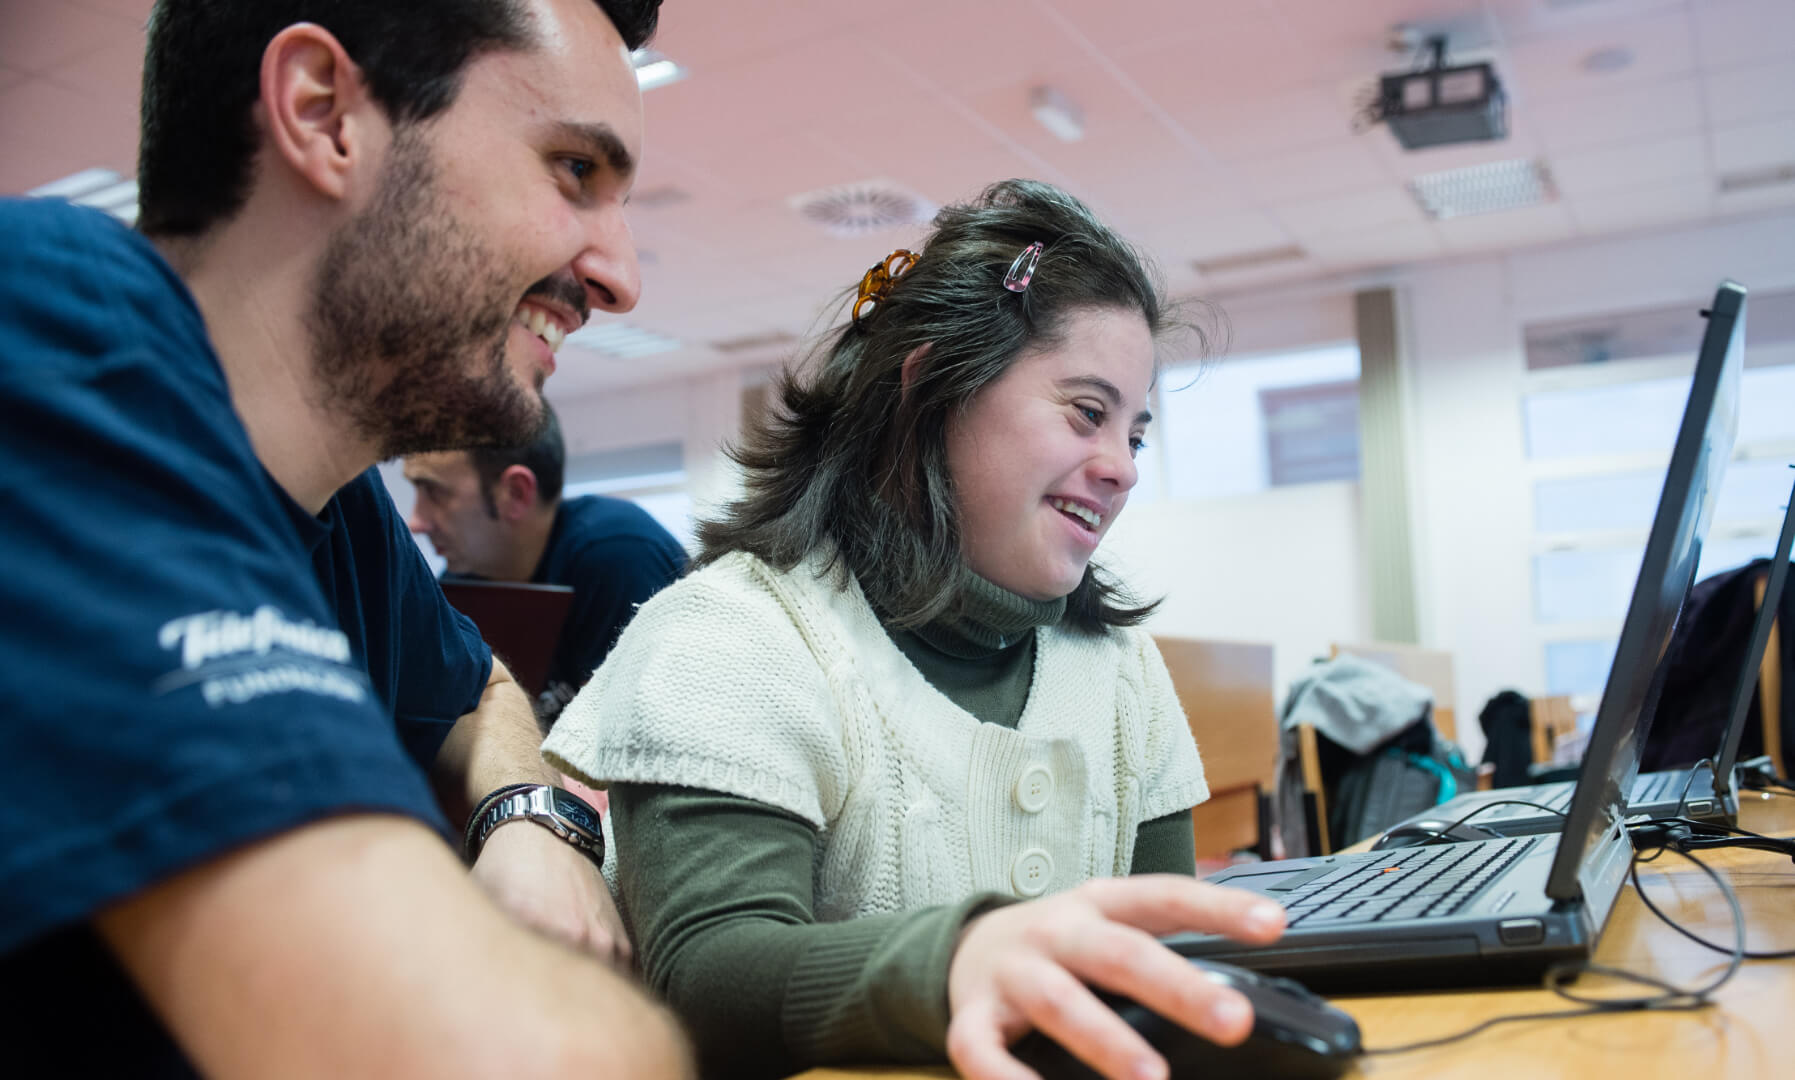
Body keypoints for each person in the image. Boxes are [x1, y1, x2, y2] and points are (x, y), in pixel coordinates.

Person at [0, 1, 691, 1077]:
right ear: (325, 115)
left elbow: (482, 692)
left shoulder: (343, 507)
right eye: (572, 171)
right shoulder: (47, 320)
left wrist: (521, 814)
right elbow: (519, 1060)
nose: (619, 274)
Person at [542, 179, 1287, 1080]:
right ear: (930, 386)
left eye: (1136, 435)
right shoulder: (729, 636)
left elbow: (1158, 965)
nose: (1122, 468)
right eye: (1088, 413)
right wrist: (953, 963)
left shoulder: (1119, 669)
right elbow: (705, 979)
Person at [405, 402, 688, 726]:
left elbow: (626, 741)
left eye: (434, 493)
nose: (416, 522)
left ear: (515, 493)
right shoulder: (460, 583)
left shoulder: (617, 552)